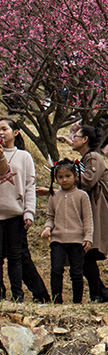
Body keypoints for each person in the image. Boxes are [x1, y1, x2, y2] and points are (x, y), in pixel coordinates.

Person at [68, 123, 108, 302]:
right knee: (85, 256)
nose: (73, 140)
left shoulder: (93, 157)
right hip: (90, 210)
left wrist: (65, 176)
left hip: (96, 210)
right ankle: (101, 293)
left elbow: (87, 181)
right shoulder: (88, 157)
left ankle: (99, 294)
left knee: (86, 254)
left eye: (76, 137)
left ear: (85, 139)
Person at [41, 159, 93, 304]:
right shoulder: (54, 196)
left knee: (76, 272)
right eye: (60, 177)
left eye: (67, 176)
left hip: (77, 241)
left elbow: (87, 218)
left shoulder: (82, 196)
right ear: (55, 178)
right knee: (56, 270)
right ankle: (57, 301)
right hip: (57, 240)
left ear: (75, 176)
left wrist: (88, 237)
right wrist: (47, 228)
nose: (64, 180)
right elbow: (50, 216)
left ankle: (77, 302)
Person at [0, 117, 36, 302]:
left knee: (15, 257)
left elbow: (30, 186)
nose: (1, 132)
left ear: (15, 132)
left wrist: (29, 211)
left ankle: (17, 295)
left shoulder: (24, 156)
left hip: (15, 214)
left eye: (4, 129)